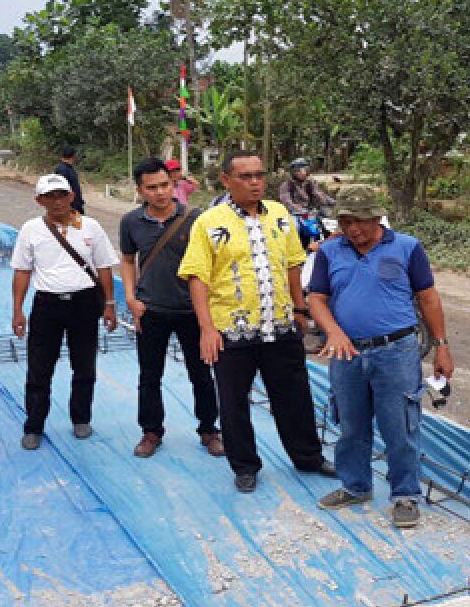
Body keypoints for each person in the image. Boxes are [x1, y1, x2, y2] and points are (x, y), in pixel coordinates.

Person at [178, 149, 337, 492]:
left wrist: (299, 310)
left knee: (295, 396)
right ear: (226, 180)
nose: (254, 182)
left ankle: (308, 456)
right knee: (234, 403)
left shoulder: (280, 215)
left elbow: (294, 263)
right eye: (245, 176)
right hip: (231, 332)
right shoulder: (208, 222)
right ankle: (245, 466)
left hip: (280, 326)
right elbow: (197, 278)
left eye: (260, 175)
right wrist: (206, 329)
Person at [306, 186, 454, 528]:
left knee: (400, 426)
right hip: (347, 352)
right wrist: (334, 332)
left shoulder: (407, 248)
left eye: (360, 221)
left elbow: (429, 299)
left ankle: (405, 495)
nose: (353, 229)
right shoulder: (329, 252)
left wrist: (442, 345)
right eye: (345, 221)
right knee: (350, 425)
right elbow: (317, 300)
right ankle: (356, 486)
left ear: (377, 217)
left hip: (397, 351)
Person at [120, 158, 223, 458]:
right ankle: (151, 432)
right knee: (149, 375)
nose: (160, 193)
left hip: (193, 311)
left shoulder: (197, 219)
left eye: (165, 185)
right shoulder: (131, 222)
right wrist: (130, 297)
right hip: (150, 309)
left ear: (173, 184)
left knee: (202, 374)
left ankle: (209, 430)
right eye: (151, 188)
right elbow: (128, 260)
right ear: (140, 190)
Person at [11, 174, 119, 448]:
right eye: (49, 196)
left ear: (71, 196)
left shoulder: (91, 227)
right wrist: (17, 310)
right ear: (39, 201)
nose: (57, 201)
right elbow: (22, 271)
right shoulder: (30, 230)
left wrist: (110, 304)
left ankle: (80, 418)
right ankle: (34, 426)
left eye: (61, 195)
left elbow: (104, 266)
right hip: (47, 304)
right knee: (39, 368)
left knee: (84, 365)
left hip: (84, 304)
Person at [54, 146, 85, 215]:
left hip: (75, 204)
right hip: (70, 206)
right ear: (73, 156)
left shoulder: (68, 168)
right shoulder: (62, 169)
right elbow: (61, 189)